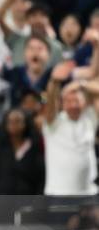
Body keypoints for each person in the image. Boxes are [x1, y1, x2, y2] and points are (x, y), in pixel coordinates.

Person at [43, 64, 99, 196]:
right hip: (58, 194)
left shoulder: (89, 118)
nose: (73, 105)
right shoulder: (53, 123)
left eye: (77, 101)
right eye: (68, 101)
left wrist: (80, 84)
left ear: (84, 103)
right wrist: (55, 82)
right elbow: (51, 101)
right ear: (62, 104)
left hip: (89, 193)